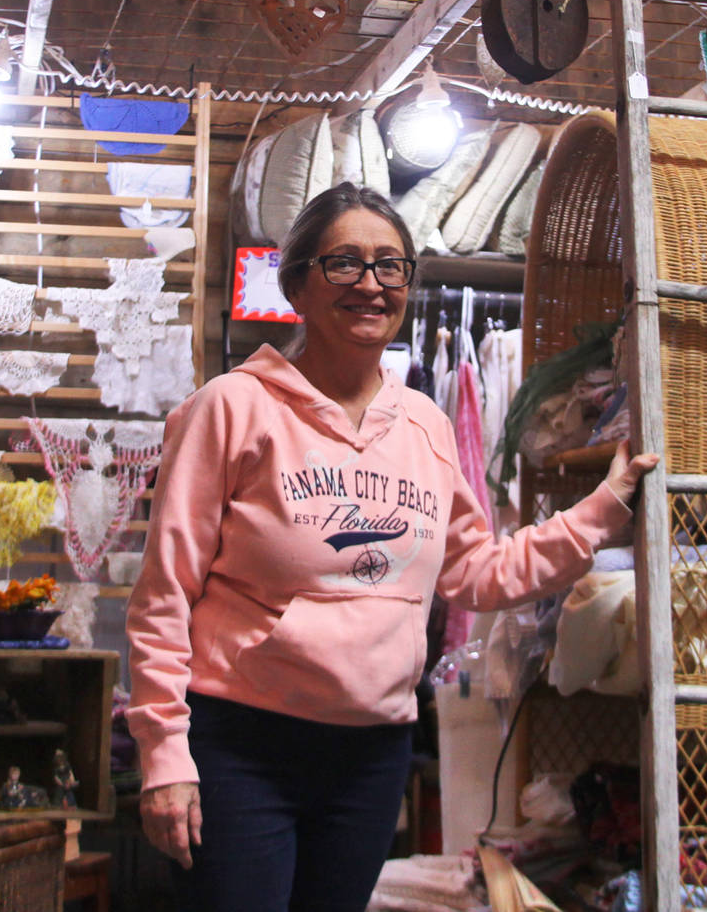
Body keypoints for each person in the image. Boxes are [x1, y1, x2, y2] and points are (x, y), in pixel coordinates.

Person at [126, 182, 656, 912]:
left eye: (391, 265)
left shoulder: (426, 426)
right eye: (344, 262)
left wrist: (604, 507)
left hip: (370, 756)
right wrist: (163, 753)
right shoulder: (230, 408)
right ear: (298, 285)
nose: (371, 283)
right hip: (243, 748)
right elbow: (162, 599)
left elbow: (476, 568)